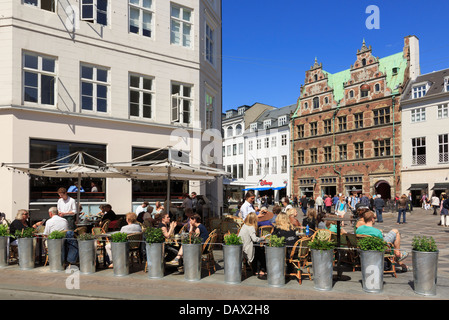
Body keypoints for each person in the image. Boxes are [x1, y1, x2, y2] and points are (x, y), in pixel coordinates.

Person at [238, 212, 266, 278]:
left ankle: (257, 269)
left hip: (242, 247)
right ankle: (259, 269)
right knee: (261, 252)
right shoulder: (251, 227)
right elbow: (254, 239)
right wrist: (262, 238)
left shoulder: (244, 226)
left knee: (259, 250)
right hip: (247, 248)